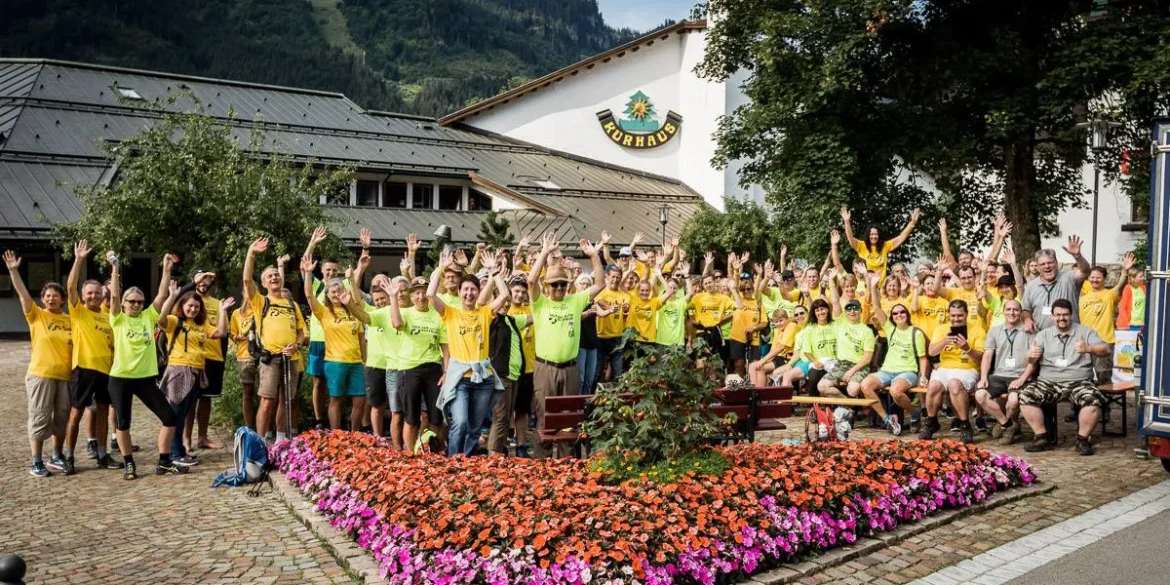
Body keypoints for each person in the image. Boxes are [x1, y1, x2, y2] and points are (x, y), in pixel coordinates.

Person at [106, 252, 187, 479]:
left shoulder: (148, 316)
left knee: (169, 418)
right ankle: (129, 463)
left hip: (145, 378)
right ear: (124, 303)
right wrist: (115, 269)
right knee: (123, 422)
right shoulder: (118, 318)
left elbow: (161, 294)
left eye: (140, 301)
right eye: (131, 301)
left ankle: (163, 462)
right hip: (120, 378)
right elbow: (113, 297)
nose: (136, 304)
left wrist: (167, 268)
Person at [527, 231, 606, 458]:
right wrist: (544, 252)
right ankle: (541, 466)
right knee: (544, 418)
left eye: (562, 284)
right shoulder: (540, 304)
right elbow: (531, 281)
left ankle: (567, 464)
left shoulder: (574, 300)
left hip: (570, 368)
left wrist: (593, 255)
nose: (559, 288)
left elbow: (600, 283)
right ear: (548, 286)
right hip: (545, 368)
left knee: (570, 419)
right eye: (555, 285)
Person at [430, 249, 509, 456]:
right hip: (460, 378)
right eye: (465, 289)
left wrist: (494, 272)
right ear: (459, 291)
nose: (469, 293)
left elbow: (505, 295)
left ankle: (467, 462)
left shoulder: (484, 312)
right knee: (461, 422)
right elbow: (430, 294)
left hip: (483, 378)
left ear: (477, 292)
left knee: (474, 427)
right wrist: (441, 268)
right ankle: (454, 461)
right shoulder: (450, 313)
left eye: (473, 289)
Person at [6, 250, 72, 478]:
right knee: (40, 417)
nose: (51, 299)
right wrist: (13, 271)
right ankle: (36, 461)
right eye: (47, 296)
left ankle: (57, 455)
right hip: (41, 375)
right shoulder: (37, 316)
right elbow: (23, 295)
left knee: (62, 418)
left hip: (65, 376)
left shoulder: (70, 320)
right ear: (42, 299)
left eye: (56, 295)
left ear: (63, 299)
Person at [1019, 299, 1110, 455]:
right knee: (1026, 396)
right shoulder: (1043, 335)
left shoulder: (1085, 332)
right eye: (1058, 315)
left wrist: (1088, 348)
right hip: (1049, 381)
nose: (1062, 318)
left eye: (1065, 315)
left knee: (1093, 399)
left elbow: (1106, 349)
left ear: (1071, 315)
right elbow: (1030, 359)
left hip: (1079, 381)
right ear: (1052, 317)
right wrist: (1030, 356)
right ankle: (1042, 438)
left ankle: (1082, 440)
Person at [156, 281, 233, 466]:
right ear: (183, 306)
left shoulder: (201, 325)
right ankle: (174, 454)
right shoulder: (175, 322)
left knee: (182, 413)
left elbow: (221, 333)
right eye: (190, 306)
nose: (193, 309)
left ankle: (180, 450)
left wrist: (222, 310)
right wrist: (172, 296)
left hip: (196, 371)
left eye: (197, 307)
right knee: (175, 414)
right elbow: (161, 319)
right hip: (179, 371)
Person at [62, 241, 122, 474]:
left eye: (98, 293)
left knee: (104, 413)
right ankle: (69, 456)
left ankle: (102, 454)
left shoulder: (108, 315)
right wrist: (78, 259)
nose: (94, 296)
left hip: (106, 371)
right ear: (84, 296)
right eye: (90, 293)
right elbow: (70, 288)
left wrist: (114, 269)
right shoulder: (78, 312)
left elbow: (116, 297)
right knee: (76, 413)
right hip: (84, 369)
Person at [301, 241, 370, 433]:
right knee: (336, 399)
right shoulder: (323, 312)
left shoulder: (353, 311)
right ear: (328, 295)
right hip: (335, 361)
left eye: (339, 291)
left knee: (360, 399)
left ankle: (355, 435)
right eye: (333, 292)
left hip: (356, 362)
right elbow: (308, 295)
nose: (337, 294)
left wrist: (364, 360)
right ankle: (336, 434)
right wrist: (308, 273)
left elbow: (361, 337)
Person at [242, 237, 307, 442]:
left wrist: (296, 344)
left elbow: (302, 332)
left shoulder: (292, 304)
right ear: (263, 283)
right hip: (270, 359)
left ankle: (280, 440)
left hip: (291, 358)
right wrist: (251, 253)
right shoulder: (261, 301)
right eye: (269, 276)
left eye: (276, 275)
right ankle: (260, 442)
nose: (273, 278)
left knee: (286, 401)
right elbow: (246, 280)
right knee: (267, 401)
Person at [382, 276, 447, 452]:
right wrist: (393, 297)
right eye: (416, 293)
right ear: (411, 296)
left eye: (424, 292)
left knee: (436, 417)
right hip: (409, 369)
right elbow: (396, 323)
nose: (421, 297)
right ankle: (410, 454)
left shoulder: (438, 316)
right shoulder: (406, 312)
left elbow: (445, 346)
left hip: (433, 369)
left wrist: (447, 371)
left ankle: (436, 452)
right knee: (411, 417)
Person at [859, 276, 928, 435]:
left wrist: (923, 375)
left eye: (902, 312)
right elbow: (876, 307)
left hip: (907, 372)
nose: (898, 315)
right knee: (865, 385)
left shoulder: (915, 333)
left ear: (907, 314)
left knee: (895, 392)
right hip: (887, 370)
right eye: (895, 313)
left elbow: (923, 358)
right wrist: (873, 285)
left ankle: (915, 411)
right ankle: (887, 419)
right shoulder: (891, 329)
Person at [920, 300, 985, 444]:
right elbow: (931, 352)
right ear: (949, 314)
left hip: (967, 368)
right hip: (944, 368)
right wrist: (944, 341)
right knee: (933, 386)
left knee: (954, 384)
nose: (956, 319)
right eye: (953, 316)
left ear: (966, 314)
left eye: (960, 316)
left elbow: (981, 358)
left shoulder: (977, 329)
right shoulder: (942, 329)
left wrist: (967, 348)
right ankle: (931, 422)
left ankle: (965, 425)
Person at [975, 299, 1033, 445]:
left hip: (1019, 375)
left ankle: (1006, 426)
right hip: (999, 375)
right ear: (1003, 312)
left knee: (1012, 401)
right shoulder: (995, 331)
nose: (1012, 313)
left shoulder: (1029, 331)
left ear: (1020, 312)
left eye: (1015, 310)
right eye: (1008, 310)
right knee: (980, 395)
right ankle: (1007, 425)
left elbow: (1034, 360)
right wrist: (983, 377)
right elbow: (987, 355)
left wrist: (1023, 378)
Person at [302, 228, 342, 428]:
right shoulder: (316, 286)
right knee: (319, 382)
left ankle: (336, 423)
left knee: (336, 384)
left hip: (339, 343)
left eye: (334, 270)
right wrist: (313, 242)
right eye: (328, 270)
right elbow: (305, 265)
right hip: (319, 341)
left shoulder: (343, 290)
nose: (331, 273)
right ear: (322, 271)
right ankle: (319, 420)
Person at [186, 270, 225, 452]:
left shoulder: (218, 304)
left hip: (214, 356)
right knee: (190, 400)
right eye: (200, 278)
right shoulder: (188, 302)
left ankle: (202, 437)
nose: (204, 281)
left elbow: (222, 332)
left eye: (207, 278)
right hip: (193, 357)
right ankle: (186, 438)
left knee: (206, 400)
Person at [1080, 253, 1134, 383]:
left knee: (1103, 375)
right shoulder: (1082, 298)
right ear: (1088, 278)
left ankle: (1104, 402)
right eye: (1092, 277)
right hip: (1084, 342)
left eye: (1098, 278)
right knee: (1081, 376)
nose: (1095, 280)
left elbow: (1120, 286)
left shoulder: (1109, 295)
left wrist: (1125, 271)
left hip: (1104, 341)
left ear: (1104, 279)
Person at [1022, 236, 1090, 332]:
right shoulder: (1031, 286)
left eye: (1050, 262)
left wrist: (1077, 256)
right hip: (1041, 338)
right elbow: (1026, 310)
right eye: (1042, 264)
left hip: (1069, 337)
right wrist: (1027, 319)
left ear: (1056, 263)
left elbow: (1085, 271)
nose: (1047, 266)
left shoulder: (1069, 278)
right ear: (1037, 267)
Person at [818, 295, 875, 399]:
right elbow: (835, 302)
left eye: (855, 308)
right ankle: (848, 404)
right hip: (841, 364)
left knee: (853, 389)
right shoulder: (841, 323)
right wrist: (832, 281)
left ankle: (851, 406)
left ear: (861, 310)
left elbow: (867, 358)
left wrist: (852, 371)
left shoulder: (867, 331)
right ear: (845, 312)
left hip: (859, 366)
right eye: (849, 309)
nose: (852, 311)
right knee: (822, 387)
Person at [840, 207, 920, 281]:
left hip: (881, 289)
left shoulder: (885, 246)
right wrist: (846, 221)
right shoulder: (861, 246)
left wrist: (912, 222)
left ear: (879, 236)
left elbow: (901, 237)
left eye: (876, 234)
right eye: (871, 234)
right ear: (868, 235)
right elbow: (850, 237)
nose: (873, 236)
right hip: (865, 287)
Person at [789, 299, 836, 392]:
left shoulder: (835, 325)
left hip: (835, 362)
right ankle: (815, 405)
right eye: (817, 310)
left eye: (822, 309)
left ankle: (835, 405)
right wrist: (815, 362)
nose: (820, 312)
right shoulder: (810, 329)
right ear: (814, 313)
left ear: (827, 310)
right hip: (818, 363)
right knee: (813, 376)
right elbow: (806, 351)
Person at [228, 293, 259, 429]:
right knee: (248, 392)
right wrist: (237, 337)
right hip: (244, 356)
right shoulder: (236, 313)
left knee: (265, 394)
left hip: (262, 356)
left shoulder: (261, 310)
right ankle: (249, 427)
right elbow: (232, 334)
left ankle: (266, 428)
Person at [594, 263, 628, 382]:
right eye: (613, 276)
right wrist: (613, 307)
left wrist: (626, 308)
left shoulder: (623, 295)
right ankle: (592, 398)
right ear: (606, 276)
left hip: (617, 338)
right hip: (600, 336)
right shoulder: (600, 291)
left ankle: (616, 398)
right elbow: (601, 302)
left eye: (618, 277)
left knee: (618, 372)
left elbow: (626, 307)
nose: (615, 279)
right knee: (597, 372)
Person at [1116, 262, 1146, 332]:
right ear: (1133, 278)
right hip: (1128, 325)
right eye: (1140, 276)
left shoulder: (1144, 287)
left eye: (1143, 276)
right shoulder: (1128, 288)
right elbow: (1122, 307)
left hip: (1141, 325)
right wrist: (1127, 324)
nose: (1143, 278)